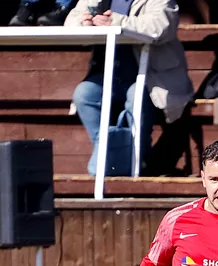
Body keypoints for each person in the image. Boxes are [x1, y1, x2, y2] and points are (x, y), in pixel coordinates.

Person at [66, 0, 194, 176]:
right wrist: (84, 24)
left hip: (152, 78)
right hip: (108, 77)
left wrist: (117, 22)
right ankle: (113, 156)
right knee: (84, 94)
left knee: (136, 96)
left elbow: (161, 25)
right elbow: (71, 21)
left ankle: (135, 161)